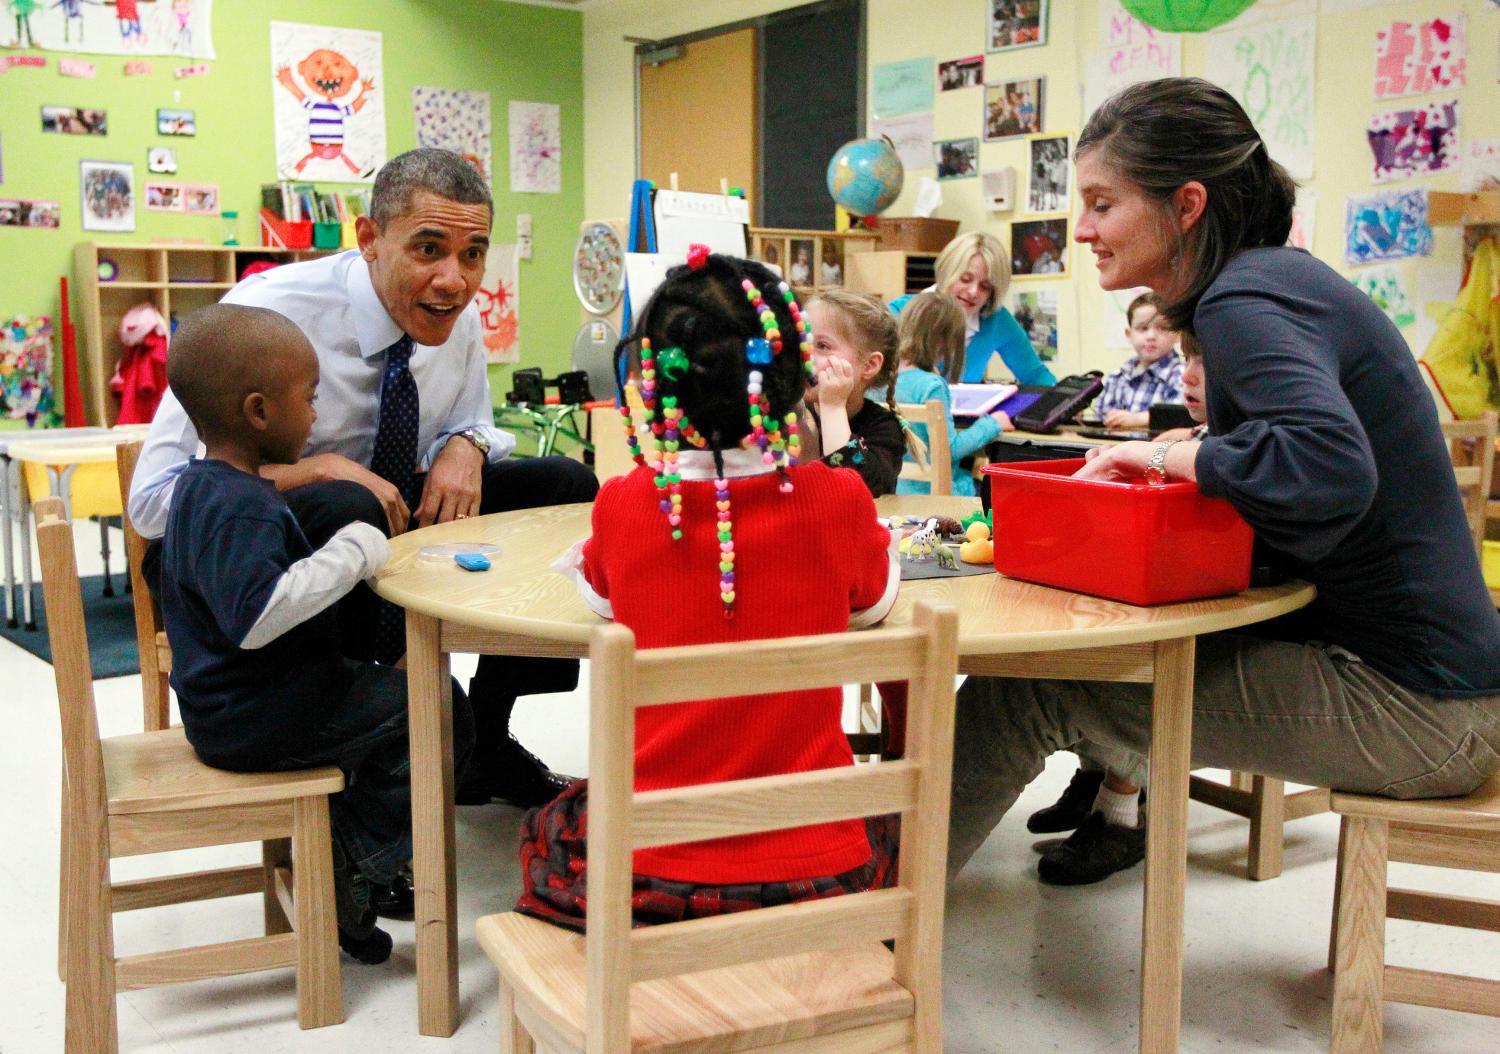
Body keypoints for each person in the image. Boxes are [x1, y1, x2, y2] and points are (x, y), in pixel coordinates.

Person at [947, 77, 1500, 886]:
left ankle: (872, 931)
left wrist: (1173, 453)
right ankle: (1100, 816)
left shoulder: (1243, 298)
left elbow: (1327, 467)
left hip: (1422, 713)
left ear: (1188, 205)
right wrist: (1201, 447)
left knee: (1026, 689)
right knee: (1118, 659)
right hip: (1444, 690)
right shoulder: (1277, 280)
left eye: (1103, 204)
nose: (1083, 229)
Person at [130, 149, 598, 841]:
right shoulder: (266, 314)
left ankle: (488, 741)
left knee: (564, 484)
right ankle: (349, 749)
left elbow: (473, 420)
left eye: (473, 255)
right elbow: (156, 501)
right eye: (429, 250)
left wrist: (466, 447)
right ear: (369, 240)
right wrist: (320, 470)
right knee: (346, 504)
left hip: (388, 507)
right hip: (253, 540)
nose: (455, 280)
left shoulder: (455, 317)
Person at [518, 252, 901, 930]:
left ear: (654, 379)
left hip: (646, 867)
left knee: (550, 820)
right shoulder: (838, 497)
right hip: (817, 868)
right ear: (788, 375)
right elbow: (873, 604)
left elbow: (602, 604)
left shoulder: (627, 503)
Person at [157, 303, 474, 963]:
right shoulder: (238, 508)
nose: (317, 413)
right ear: (258, 413)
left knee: (401, 695)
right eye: (308, 398)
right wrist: (354, 550)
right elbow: (257, 616)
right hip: (263, 714)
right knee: (441, 708)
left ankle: (353, 838)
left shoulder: (203, 487)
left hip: (236, 707)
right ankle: (361, 861)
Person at [889, 232, 1055, 388]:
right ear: (947, 273)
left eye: (985, 287)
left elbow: (1035, 375)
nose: (973, 292)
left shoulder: (996, 320)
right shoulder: (899, 312)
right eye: (965, 279)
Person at [891, 291, 1012, 497]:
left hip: (894, 489)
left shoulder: (883, 379)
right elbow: (949, 450)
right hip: (936, 494)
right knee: (999, 488)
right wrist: (992, 423)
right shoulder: (931, 385)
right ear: (943, 341)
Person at [802, 289, 908, 498]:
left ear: (869, 365)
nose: (805, 355)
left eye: (822, 346)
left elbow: (851, 490)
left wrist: (832, 407)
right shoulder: (791, 414)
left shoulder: (885, 429)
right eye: (802, 342)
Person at [1094, 291, 1184, 431]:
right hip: (1116, 449)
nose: (1151, 336)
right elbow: (1099, 419)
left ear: (1178, 334)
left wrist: (1137, 419)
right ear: (1129, 334)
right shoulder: (1117, 377)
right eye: (1143, 328)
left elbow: (1182, 418)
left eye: (1162, 328)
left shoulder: (1182, 375)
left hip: (1158, 451)